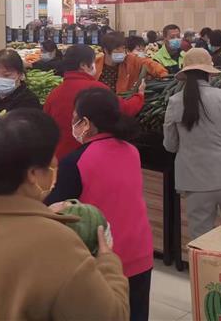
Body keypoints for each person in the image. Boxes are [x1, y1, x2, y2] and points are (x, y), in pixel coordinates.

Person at [0, 110, 128, 320]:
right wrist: (108, 262)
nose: (55, 165)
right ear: (33, 174)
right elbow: (111, 316)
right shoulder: (56, 243)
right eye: (51, 162)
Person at [46, 89, 153, 321]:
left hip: (104, 259)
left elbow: (53, 211)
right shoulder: (131, 150)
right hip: (140, 251)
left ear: (86, 123)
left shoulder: (75, 161)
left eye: (75, 118)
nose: (73, 123)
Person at [163, 49, 221, 239]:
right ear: (209, 73)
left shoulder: (174, 102)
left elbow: (170, 145)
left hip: (194, 182)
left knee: (201, 242)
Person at [44, 45, 145, 161]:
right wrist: (139, 96)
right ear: (83, 65)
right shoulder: (97, 90)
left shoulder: (54, 94)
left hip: (62, 158)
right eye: (93, 62)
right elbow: (125, 109)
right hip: (91, 157)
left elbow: (47, 128)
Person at [95, 32, 168, 94]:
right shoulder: (95, 64)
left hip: (124, 101)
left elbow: (149, 63)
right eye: (117, 49)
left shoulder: (131, 60)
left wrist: (163, 75)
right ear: (105, 50)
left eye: (123, 48)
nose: (121, 52)